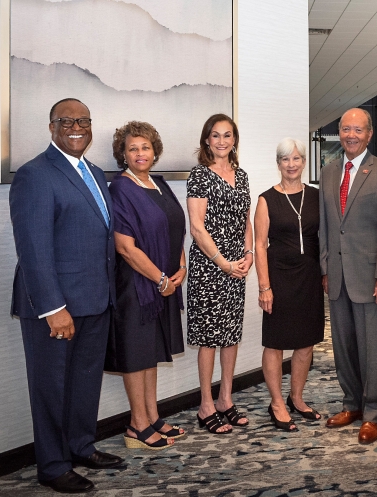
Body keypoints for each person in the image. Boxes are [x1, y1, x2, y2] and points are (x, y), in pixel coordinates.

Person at [9, 98, 123, 493]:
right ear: (52, 126)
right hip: (56, 308)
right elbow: (33, 248)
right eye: (67, 121)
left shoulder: (93, 172)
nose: (77, 127)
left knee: (84, 383)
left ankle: (79, 446)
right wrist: (54, 308)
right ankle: (53, 465)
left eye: (84, 121)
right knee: (51, 386)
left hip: (94, 300)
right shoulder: (35, 175)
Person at [319, 108, 377, 444]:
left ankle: (372, 413)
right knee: (343, 348)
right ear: (338, 133)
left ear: (369, 135)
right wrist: (325, 269)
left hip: (372, 279)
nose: (351, 135)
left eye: (358, 130)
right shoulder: (328, 173)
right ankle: (351, 404)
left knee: (373, 349)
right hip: (338, 278)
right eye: (345, 129)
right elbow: (326, 229)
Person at [106, 121, 187, 449]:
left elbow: (174, 228)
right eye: (132, 149)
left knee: (151, 354)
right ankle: (136, 426)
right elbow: (125, 247)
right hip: (137, 286)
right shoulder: (121, 189)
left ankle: (152, 417)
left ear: (155, 151)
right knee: (136, 355)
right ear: (123, 155)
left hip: (164, 284)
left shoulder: (160, 184)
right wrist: (162, 279)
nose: (140, 153)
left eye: (145, 147)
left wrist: (181, 266)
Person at [187, 113, 253, 434]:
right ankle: (205, 405)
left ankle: (225, 399)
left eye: (228, 135)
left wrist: (249, 254)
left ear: (234, 140)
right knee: (209, 338)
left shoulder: (240, 176)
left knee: (231, 334)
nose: (222, 141)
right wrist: (225, 263)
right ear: (207, 140)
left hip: (237, 266)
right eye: (216, 136)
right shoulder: (199, 175)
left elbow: (246, 221)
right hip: (209, 266)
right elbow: (197, 228)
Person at [254, 138, 325, 432]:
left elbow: (326, 238)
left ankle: (296, 397)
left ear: (304, 162)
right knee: (275, 343)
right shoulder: (265, 199)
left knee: (305, 341)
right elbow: (259, 245)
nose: (291, 165)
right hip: (279, 278)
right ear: (278, 163)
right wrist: (264, 286)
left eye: (296, 159)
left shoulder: (317, 196)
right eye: (285, 159)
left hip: (309, 276)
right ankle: (277, 403)